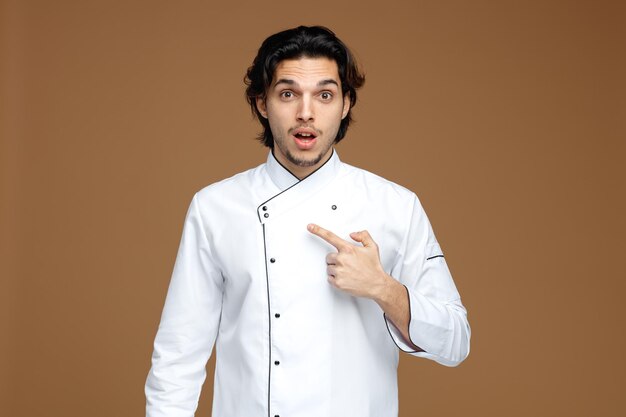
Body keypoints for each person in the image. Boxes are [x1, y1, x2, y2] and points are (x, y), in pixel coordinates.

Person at [145, 25, 470, 417]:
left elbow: (455, 342)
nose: (306, 113)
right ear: (262, 103)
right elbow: (178, 357)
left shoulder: (395, 206)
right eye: (287, 94)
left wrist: (383, 288)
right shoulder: (215, 207)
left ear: (346, 104)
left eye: (325, 95)